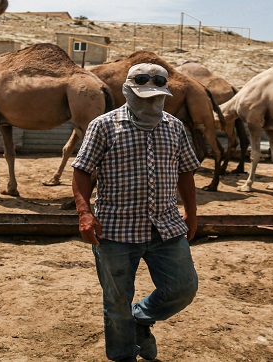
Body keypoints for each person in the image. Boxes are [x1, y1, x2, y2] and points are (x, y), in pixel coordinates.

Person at [71, 62, 200, 362]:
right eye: (143, 96)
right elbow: (82, 171)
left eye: (156, 96)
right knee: (116, 303)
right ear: (128, 91)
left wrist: (192, 214)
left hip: (165, 226)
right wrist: (84, 213)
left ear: (165, 95)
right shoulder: (103, 125)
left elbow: (185, 172)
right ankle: (123, 354)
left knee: (183, 288)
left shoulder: (174, 127)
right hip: (116, 229)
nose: (150, 101)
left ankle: (140, 319)